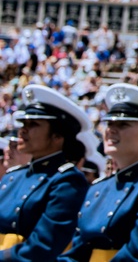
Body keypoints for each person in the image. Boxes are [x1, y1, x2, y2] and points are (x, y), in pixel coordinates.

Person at [60, 83, 138, 262]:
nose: (111, 129)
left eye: (123, 124)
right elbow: (78, 251)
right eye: (109, 123)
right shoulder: (98, 188)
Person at [0, 85, 90, 259]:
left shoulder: (68, 180)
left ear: (57, 136)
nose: (23, 130)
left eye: (33, 124)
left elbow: (44, 245)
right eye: (23, 123)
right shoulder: (13, 176)